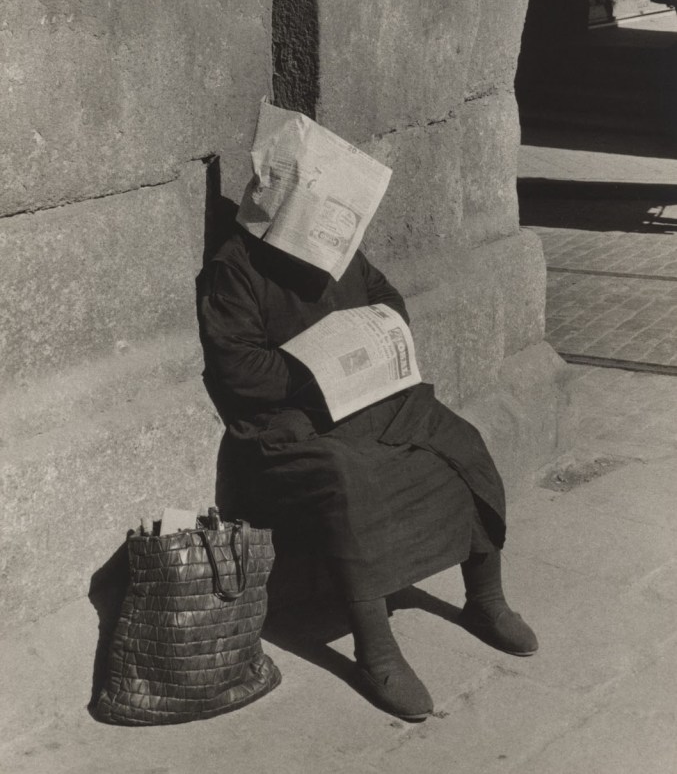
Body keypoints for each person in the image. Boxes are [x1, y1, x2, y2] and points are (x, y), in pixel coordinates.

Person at [198, 108, 538, 722]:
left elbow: (386, 297)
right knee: (351, 481)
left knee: (459, 441)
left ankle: (485, 596)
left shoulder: (333, 249)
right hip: (290, 421)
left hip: (368, 398)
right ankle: (375, 647)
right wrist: (319, 366)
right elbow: (241, 373)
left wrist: (375, 336)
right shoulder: (234, 269)